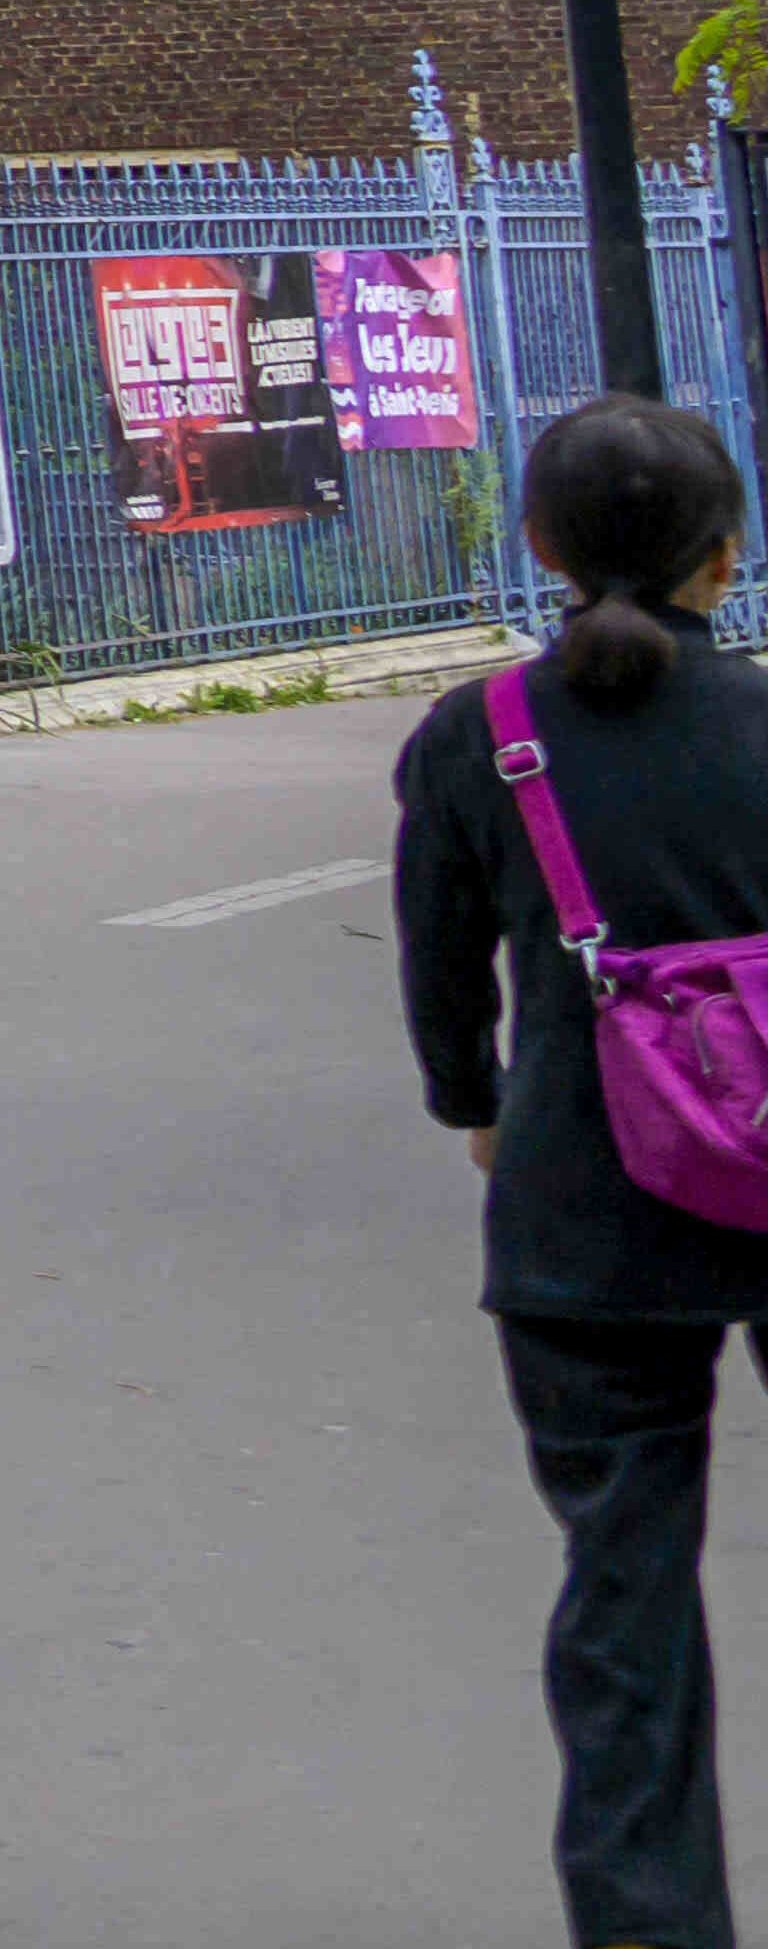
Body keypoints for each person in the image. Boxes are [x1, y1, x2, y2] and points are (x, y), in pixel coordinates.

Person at [397, 394, 768, 1949]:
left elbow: (441, 974)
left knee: (623, 1590)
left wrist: (478, 1106)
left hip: (586, 1205)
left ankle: (650, 1922)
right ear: (726, 556)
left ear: (541, 545)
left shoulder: (482, 738)